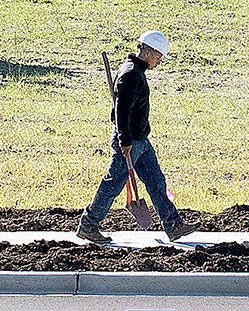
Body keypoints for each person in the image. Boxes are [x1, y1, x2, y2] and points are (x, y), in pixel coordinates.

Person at [76, 30, 188, 243]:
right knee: (113, 184)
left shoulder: (136, 71)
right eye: (158, 56)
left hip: (141, 141)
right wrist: (124, 140)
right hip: (129, 142)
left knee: (156, 181)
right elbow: (121, 110)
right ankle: (88, 224)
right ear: (148, 51)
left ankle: (173, 225)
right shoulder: (130, 75)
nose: (159, 61)